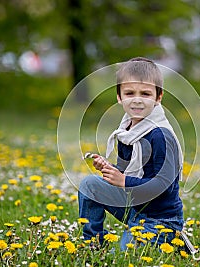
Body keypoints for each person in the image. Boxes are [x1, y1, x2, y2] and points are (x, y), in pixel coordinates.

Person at [78, 57, 184, 251]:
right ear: (119, 97)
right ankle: (92, 245)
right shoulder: (127, 131)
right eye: (129, 93)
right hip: (135, 209)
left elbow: (164, 185)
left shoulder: (160, 135)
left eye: (145, 93)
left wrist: (124, 181)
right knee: (89, 185)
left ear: (158, 97)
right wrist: (111, 170)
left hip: (161, 220)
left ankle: (172, 241)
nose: (137, 99)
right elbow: (128, 171)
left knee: (121, 255)